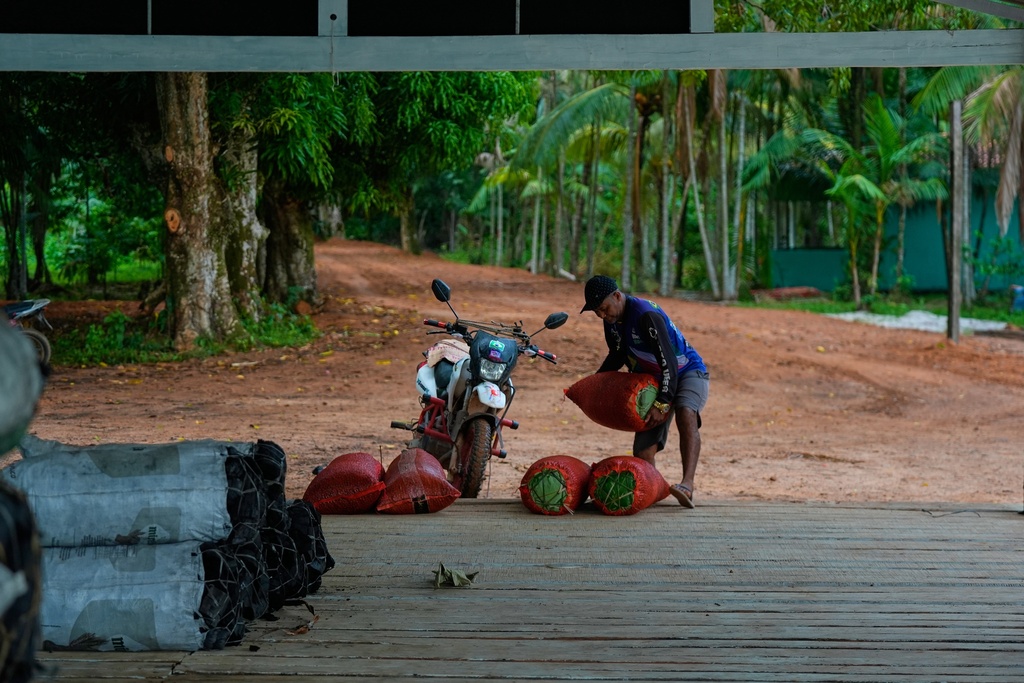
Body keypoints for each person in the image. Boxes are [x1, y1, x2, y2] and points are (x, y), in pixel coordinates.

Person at [580, 275, 709, 508]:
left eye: (603, 309)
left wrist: (662, 402)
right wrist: (594, 384)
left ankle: (687, 485)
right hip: (653, 379)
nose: (601, 315)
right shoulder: (611, 320)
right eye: (597, 312)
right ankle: (654, 489)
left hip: (687, 370)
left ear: (617, 296)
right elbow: (617, 355)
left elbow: (668, 361)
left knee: (685, 412)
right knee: (643, 449)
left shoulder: (646, 315)